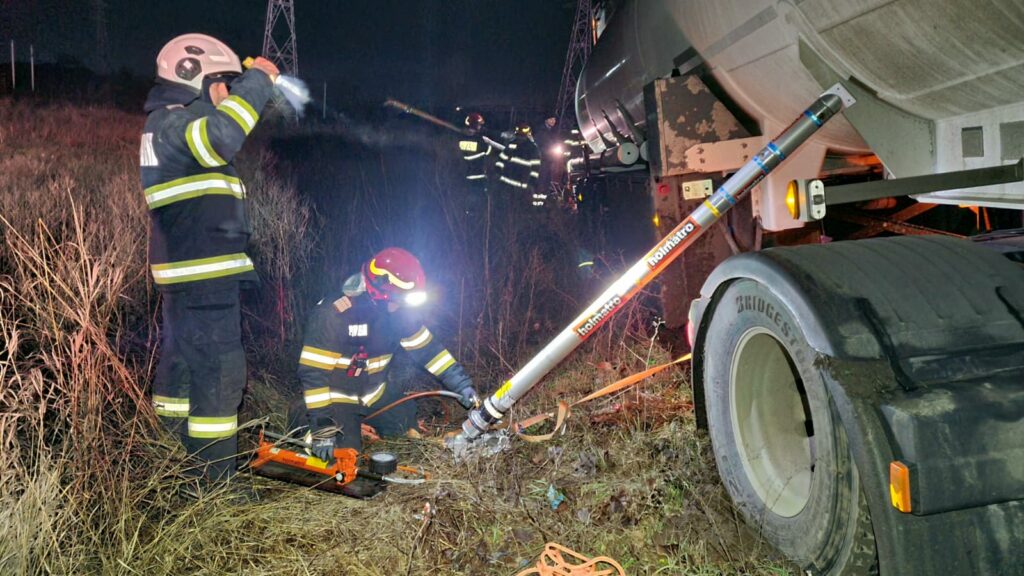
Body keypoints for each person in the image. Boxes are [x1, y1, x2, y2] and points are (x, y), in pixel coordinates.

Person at [140, 33, 279, 494]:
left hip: (190, 278)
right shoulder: (176, 126)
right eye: (223, 84)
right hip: (203, 279)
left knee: (183, 367)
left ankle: (174, 463)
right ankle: (217, 487)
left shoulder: (169, 126)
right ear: (194, 76)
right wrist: (258, 79)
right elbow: (224, 135)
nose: (227, 94)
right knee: (220, 375)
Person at [293, 248, 480, 494]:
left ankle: (361, 424)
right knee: (345, 456)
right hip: (337, 394)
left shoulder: (399, 313)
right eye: (398, 300)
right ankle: (302, 427)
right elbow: (313, 375)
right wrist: (323, 431)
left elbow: (430, 352)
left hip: (374, 393)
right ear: (378, 292)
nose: (401, 308)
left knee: (406, 419)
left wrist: (461, 385)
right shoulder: (333, 315)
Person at [497, 122, 546, 207]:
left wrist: (531, 182)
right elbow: (502, 158)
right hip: (507, 182)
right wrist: (497, 170)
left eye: (521, 136)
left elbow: (535, 167)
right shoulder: (512, 144)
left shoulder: (532, 148)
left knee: (519, 208)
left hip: (521, 185)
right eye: (518, 136)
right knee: (506, 208)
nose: (519, 138)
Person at [457, 112, 504, 190]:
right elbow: (490, 151)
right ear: (474, 125)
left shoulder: (462, 138)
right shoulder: (480, 141)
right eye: (479, 125)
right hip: (478, 176)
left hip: (466, 175)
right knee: (480, 198)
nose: (480, 127)